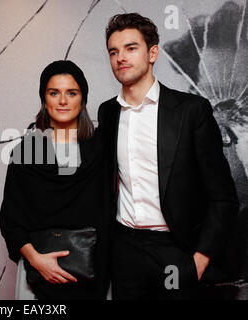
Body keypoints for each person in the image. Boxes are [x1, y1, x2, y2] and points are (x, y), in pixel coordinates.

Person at [97, 13, 239, 299]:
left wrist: (199, 260)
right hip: (124, 250)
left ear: (152, 53)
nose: (120, 57)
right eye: (114, 51)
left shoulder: (191, 110)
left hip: (175, 250)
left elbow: (223, 197)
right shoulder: (107, 112)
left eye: (131, 48)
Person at [0, 60, 111, 300]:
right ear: (44, 99)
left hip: (95, 275)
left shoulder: (102, 148)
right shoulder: (25, 153)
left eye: (72, 92)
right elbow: (11, 221)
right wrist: (37, 260)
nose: (63, 101)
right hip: (37, 276)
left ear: (82, 99)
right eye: (54, 93)